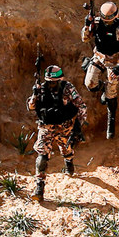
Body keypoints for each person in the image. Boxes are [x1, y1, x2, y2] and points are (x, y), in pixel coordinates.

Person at [27, 65, 87, 201]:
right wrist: (34, 95)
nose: (52, 84)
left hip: (63, 127)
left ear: (60, 80)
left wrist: (78, 126)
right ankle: (39, 187)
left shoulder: (68, 88)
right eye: (49, 82)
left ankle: (69, 162)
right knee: (42, 154)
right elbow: (31, 107)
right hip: (46, 127)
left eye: (54, 82)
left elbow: (81, 106)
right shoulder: (41, 89)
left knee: (65, 149)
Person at [81, 1, 119, 139]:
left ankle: (111, 122)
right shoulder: (97, 23)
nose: (108, 23)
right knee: (90, 84)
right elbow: (85, 39)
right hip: (99, 56)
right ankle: (101, 88)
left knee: (111, 93)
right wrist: (87, 25)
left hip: (115, 60)